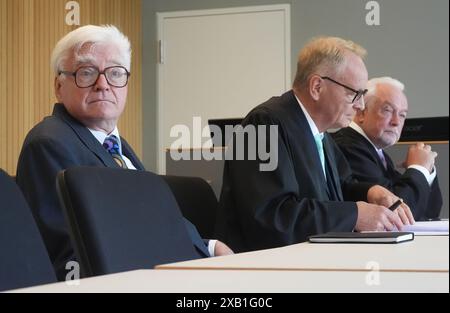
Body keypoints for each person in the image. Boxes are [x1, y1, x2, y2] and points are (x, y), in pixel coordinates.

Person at [16, 25, 232, 281]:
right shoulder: (49, 143)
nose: (103, 85)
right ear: (59, 86)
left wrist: (208, 246)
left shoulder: (114, 145)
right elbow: (72, 253)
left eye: (115, 73)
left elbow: (153, 219)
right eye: (86, 73)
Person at [215, 36, 415, 253]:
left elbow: (340, 188)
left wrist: (371, 192)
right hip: (258, 268)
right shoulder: (263, 125)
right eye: (354, 94)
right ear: (317, 87)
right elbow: (272, 216)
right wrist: (356, 215)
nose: (359, 105)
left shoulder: (322, 134)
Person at [332, 77, 442, 220]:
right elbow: (397, 211)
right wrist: (418, 168)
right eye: (387, 110)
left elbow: (429, 213)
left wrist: (427, 169)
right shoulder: (348, 146)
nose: (396, 122)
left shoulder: (376, 152)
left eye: (402, 115)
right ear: (361, 113)